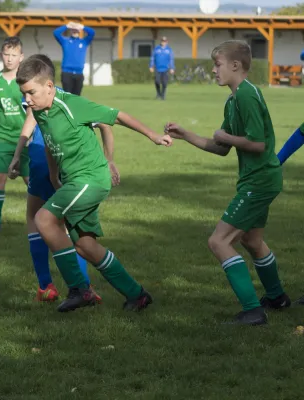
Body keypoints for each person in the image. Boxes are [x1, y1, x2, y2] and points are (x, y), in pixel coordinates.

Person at [16, 54, 172, 313]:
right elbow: (52, 146)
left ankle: (80, 290)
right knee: (85, 245)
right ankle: (137, 294)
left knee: (44, 219)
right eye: (24, 94)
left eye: (31, 92)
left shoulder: (73, 105)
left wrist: (154, 136)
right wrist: (54, 177)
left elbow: (117, 116)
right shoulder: (40, 109)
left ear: (49, 87)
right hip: (74, 182)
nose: (27, 99)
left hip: (91, 179)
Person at [165, 40, 289, 326]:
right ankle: (277, 297)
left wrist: (225, 137)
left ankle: (253, 311)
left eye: (217, 64)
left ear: (235, 65)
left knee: (218, 241)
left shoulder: (246, 95)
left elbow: (257, 144)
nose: (213, 70)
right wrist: (187, 135)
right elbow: (220, 147)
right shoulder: (234, 99)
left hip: (259, 181)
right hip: (260, 179)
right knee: (252, 240)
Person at [9, 84, 120, 302]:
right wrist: (109, 160)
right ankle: (86, 286)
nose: (27, 96)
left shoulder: (35, 97)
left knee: (35, 216)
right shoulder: (69, 99)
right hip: (71, 165)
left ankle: (47, 286)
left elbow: (28, 125)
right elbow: (106, 124)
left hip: (44, 161)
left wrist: (17, 155)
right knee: (69, 228)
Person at [0, 36, 30, 235]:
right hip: (2, 139)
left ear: (21, 57)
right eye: (6, 54)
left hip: (26, 139)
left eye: (14, 55)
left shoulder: (27, 80)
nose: (9, 59)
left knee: (33, 183)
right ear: (1, 55)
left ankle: (44, 222)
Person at [53, 22, 95, 96]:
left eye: (76, 30)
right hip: (67, 73)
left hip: (79, 74)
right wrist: (67, 26)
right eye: (73, 30)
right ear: (70, 31)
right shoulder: (65, 41)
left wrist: (82, 27)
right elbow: (56, 33)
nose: (75, 31)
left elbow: (92, 33)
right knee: (67, 96)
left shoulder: (84, 42)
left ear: (79, 31)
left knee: (77, 97)